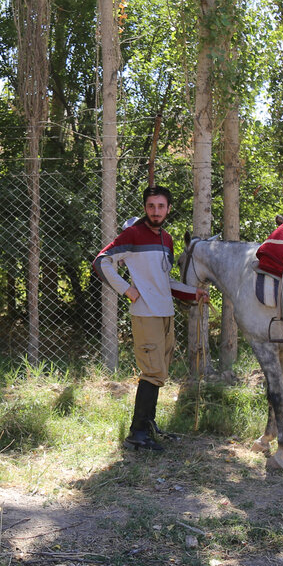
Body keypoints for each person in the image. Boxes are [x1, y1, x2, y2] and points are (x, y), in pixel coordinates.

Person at [92, 185, 209, 451]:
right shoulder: (133, 234)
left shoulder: (166, 239)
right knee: (152, 372)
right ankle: (137, 434)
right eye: (151, 206)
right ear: (145, 207)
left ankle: (149, 425)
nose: (156, 211)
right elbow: (102, 260)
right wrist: (127, 290)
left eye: (161, 206)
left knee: (160, 372)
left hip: (164, 312)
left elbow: (164, 281)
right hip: (145, 314)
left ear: (168, 208)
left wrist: (195, 292)